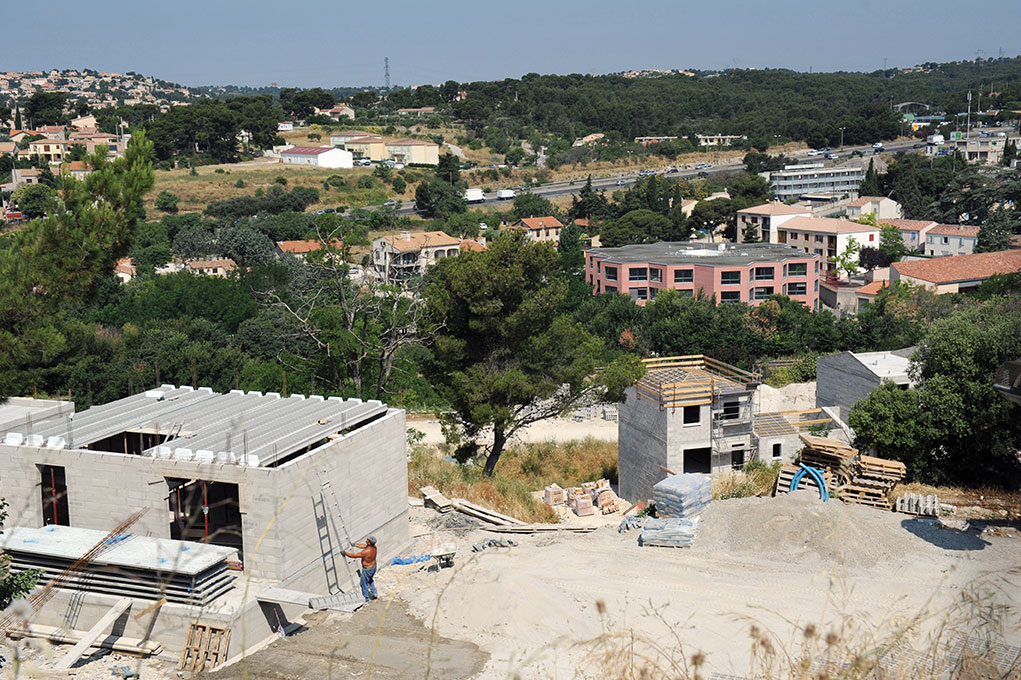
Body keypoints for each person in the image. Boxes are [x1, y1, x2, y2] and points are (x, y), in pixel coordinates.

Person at [344, 535, 378, 602]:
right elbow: (364, 546)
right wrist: (355, 545)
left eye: (367, 540)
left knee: (363, 583)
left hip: (367, 569)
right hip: (373, 567)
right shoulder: (374, 547)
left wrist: (345, 553)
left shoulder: (366, 552)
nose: (366, 540)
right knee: (370, 580)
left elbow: (354, 556)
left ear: (369, 542)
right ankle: (374, 593)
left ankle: (366, 599)